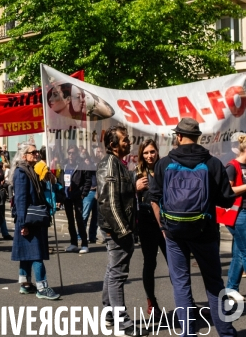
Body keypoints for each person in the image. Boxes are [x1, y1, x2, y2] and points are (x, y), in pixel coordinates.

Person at [151, 118, 245, 337]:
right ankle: (226, 332)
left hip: (173, 232)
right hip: (205, 231)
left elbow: (154, 198)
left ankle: (188, 333)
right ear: (198, 137)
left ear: (179, 136)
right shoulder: (212, 163)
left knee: (181, 284)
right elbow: (226, 200)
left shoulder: (164, 163)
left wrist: (163, 227)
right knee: (214, 283)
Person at [97, 125, 145, 336]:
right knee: (117, 274)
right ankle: (122, 321)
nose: (129, 142)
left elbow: (121, 193)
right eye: (125, 140)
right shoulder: (109, 164)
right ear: (113, 144)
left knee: (112, 270)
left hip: (119, 227)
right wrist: (123, 230)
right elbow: (108, 201)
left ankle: (109, 313)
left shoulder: (118, 163)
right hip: (116, 229)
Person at [11, 142, 60, 300]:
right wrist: (23, 223)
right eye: (33, 152)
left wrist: (49, 177)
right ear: (24, 156)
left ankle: (26, 284)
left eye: (37, 151)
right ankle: (42, 287)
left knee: (28, 253)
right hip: (29, 218)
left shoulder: (34, 169)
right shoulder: (21, 172)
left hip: (35, 216)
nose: (37, 154)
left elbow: (48, 188)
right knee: (36, 253)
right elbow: (21, 199)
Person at [134, 139, 166, 319]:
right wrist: (135, 188)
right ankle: (151, 302)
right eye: (146, 153)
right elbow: (127, 196)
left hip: (166, 223)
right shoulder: (138, 173)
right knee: (150, 263)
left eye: (152, 151)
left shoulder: (164, 169)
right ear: (141, 154)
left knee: (175, 263)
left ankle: (186, 302)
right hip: (147, 223)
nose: (149, 155)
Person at [224, 133, 246, 302]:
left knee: (239, 252)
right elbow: (228, 191)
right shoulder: (232, 166)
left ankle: (231, 289)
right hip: (238, 214)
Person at [61, 146, 92, 253]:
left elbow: (88, 180)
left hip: (77, 196)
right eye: (69, 153)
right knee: (70, 221)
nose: (71, 155)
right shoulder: (64, 165)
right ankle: (73, 243)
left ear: (76, 154)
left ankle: (84, 244)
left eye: (73, 153)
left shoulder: (81, 165)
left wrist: (83, 194)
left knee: (80, 220)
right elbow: (61, 180)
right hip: (67, 197)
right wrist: (61, 195)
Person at [81, 156, 98, 244]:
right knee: (85, 215)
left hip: (97, 191)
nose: (88, 161)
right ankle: (80, 236)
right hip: (89, 192)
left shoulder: (95, 166)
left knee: (95, 216)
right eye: (86, 159)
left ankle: (92, 236)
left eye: (89, 159)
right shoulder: (83, 168)